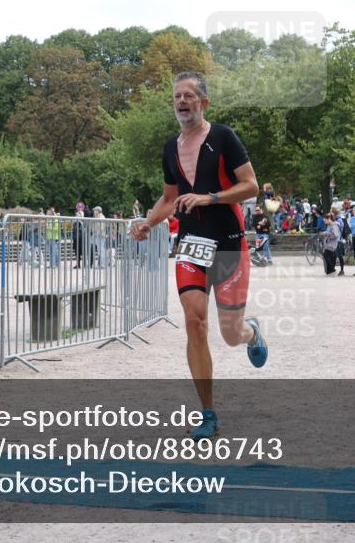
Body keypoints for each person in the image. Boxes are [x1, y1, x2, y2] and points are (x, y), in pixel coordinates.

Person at [129, 71, 266, 440]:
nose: (182, 101)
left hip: (228, 241)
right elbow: (170, 198)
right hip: (191, 242)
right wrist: (148, 222)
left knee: (229, 333)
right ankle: (208, 412)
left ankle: (251, 334)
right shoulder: (169, 149)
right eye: (177, 96)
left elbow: (251, 185)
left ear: (203, 102)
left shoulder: (223, 137)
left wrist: (211, 197)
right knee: (195, 322)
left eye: (189, 95)